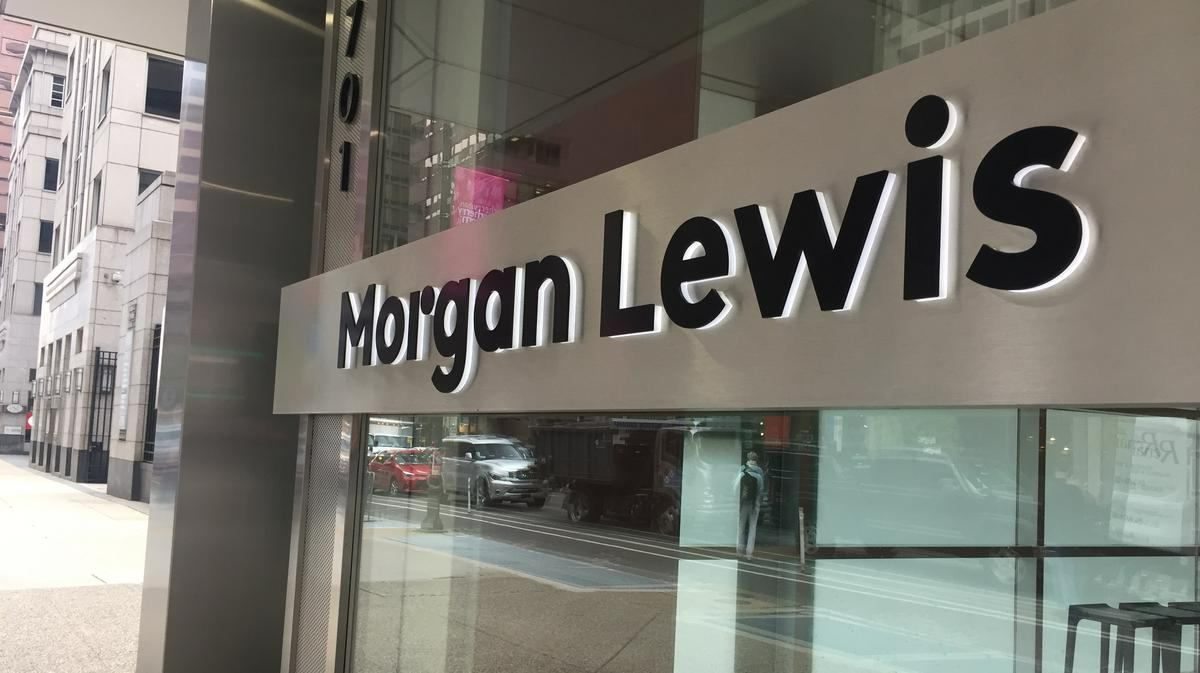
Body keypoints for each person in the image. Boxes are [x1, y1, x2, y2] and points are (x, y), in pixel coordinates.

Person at [735, 452, 767, 559]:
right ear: (756, 460)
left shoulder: (742, 471)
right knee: (752, 527)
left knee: (741, 526)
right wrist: (758, 502)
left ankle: (739, 550)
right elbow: (761, 491)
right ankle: (749, 552)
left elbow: (735, 487)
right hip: (754, 504)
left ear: (747, 459)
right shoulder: (759, 473)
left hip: (743, 503)